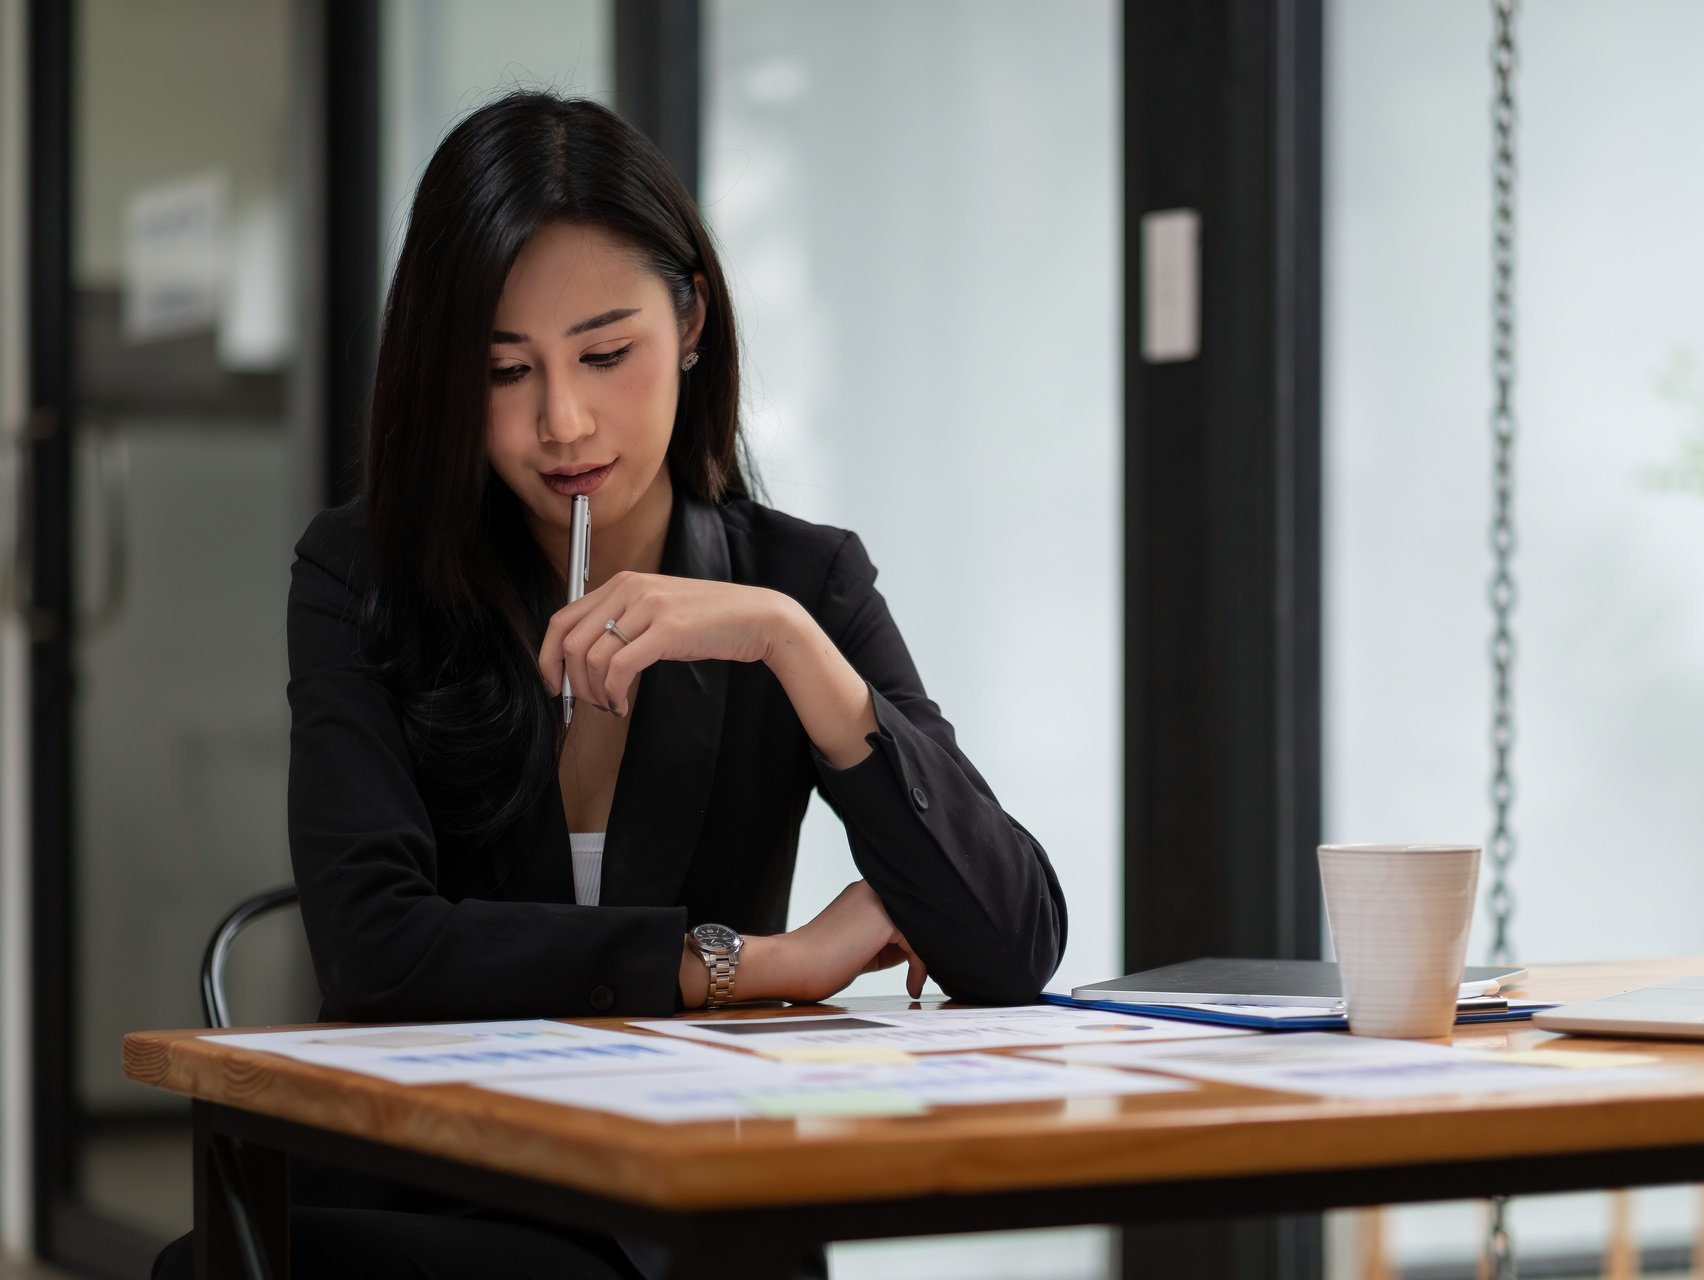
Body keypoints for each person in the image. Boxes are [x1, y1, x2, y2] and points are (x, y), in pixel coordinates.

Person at [153, 90, 1066, 1280]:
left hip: (695, 1206)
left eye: (605, 352)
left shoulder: (797, 584)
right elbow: (378, 950)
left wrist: (790, 646)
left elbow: (1012, 942)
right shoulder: (364, 574)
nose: (562, 421)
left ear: (689, 318)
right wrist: (751, 961)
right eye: (502, 370)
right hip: (437, 1200)